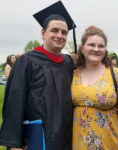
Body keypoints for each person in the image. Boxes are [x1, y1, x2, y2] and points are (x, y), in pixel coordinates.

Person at [0, 1, 76, 150]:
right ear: (43, 33)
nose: (60, 35)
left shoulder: (68, 62)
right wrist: (16, 145)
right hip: (38, 139)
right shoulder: (26, 62)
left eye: (64, 32)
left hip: (68, 137)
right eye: (54, 30)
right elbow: (14, 105)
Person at [71, 26, 118, 150]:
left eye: (101, 46)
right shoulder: (73, 76)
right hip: (78, 145)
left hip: (111, 144)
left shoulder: (117, 76)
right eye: (91, 45)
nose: (96, 49)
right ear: (82, 49)